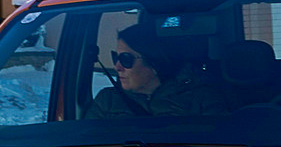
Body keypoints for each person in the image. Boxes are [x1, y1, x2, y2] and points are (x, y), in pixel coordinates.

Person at [90, 23, 231, 119]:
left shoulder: (201, 99)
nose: (117, 66)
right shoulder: (107, 101)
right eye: (116, 57)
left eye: (126, 59)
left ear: (154, 64)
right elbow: (88, 145)